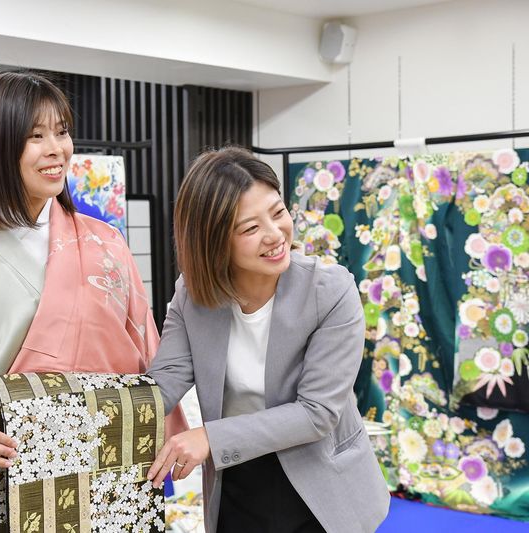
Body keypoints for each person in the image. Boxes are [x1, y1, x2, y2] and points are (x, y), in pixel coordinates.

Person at [0, 71, 185, 533]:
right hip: (2, 467)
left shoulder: (106, 243)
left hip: (108, 468)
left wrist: (170, 433)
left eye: (61, 131)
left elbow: (148, 350)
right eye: (35, 136)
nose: (56, 149)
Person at [146, 146, 390, 533]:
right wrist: (83, 417)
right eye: (250, 228)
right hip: (237, 480)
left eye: (278, 213)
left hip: (321, 483)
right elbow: (163, 383)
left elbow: (316, 413)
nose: (275, 235)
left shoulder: (330, 290)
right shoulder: (192, 296)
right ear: (213, 241)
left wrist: (209, 437)